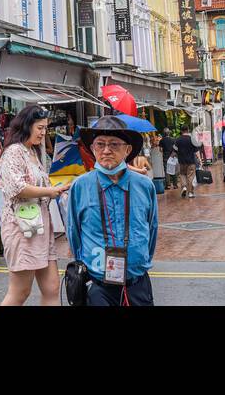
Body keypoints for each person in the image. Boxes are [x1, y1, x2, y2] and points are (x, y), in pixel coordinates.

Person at [67, 115, 159, 306]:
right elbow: (73, 233)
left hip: (137, 283)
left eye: (114, 145)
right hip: (98, 285)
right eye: (100, 144)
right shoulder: (80, 186)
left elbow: (152, 228)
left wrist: (138, 259)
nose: (106, 150)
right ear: (93, 149)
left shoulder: (145, 186)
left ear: (128, 150)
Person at [0, 105, 71, 306]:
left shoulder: (33, 153)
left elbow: (41, 187)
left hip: (40, 227)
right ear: (27, 126)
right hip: (22, 228)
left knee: (52, 287)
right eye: (40, 128)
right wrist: (50, 191)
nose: (43, 133)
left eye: (45, 128)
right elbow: (18, 188)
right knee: (20, 292)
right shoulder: (14, 152)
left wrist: (58, 190)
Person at [174, 124, 201, 198]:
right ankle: (190, 193)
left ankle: (184, 187)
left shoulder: (178, 139)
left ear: (181, 131)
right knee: (190, 176)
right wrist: (200, 160)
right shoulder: (192, 139)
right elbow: (196, 151)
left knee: (182, 175)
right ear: (188, 130)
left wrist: (174, 157)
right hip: (191, 161)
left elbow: (174, 151)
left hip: (182, 161)